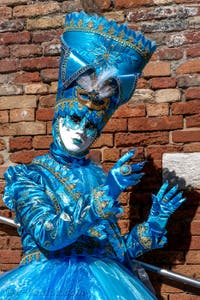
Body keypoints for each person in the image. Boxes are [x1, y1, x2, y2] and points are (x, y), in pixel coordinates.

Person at [0, 12, 185, 300]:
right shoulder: (29, 177)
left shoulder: (96, 175)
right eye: (74, 119)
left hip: (108, 284)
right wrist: (109, 190)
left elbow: (115, 252)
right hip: (45, 285)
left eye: (90, 126)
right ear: (57, 118)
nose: (81, 131)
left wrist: (155, 223)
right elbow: (50, 234)